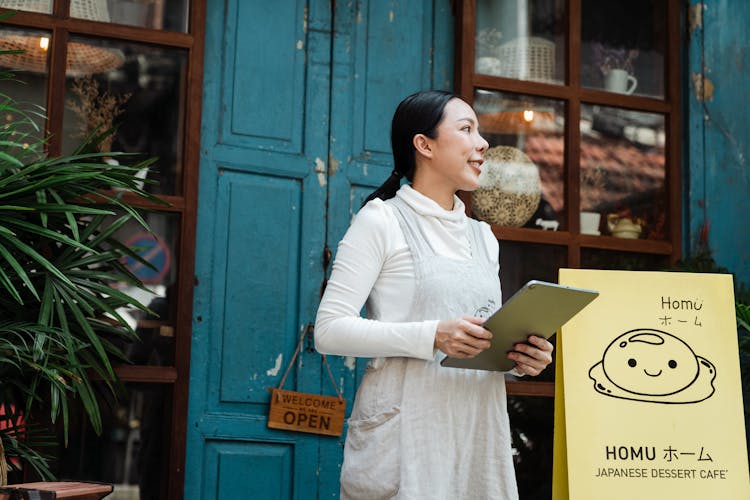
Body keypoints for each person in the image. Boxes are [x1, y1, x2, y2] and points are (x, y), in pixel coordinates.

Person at [315, 90, 554, 500]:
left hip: (476, 434)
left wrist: (520, 359)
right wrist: (433, 335)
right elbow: (329, 330)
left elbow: (482, 338)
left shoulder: (483, 237)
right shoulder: (381, 220)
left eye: (480, 131)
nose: (482, 143)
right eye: (466, 129)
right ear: (424, 145)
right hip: (407, 437)